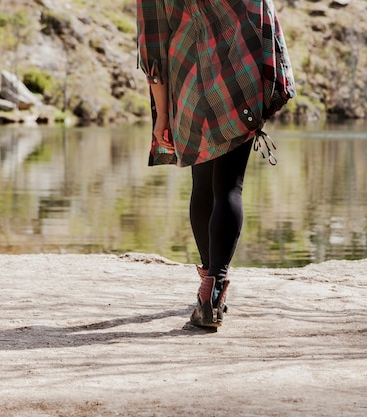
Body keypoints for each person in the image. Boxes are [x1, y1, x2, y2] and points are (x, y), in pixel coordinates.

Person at [136, 0, 296, 329]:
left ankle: (209, 289)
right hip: (239, 71)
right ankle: (215, 287)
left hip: (188, 76)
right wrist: (271, 74)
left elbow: (152, 42)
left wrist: (162, 115)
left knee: (203, 186)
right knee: (229, 187)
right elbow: (263, 12)